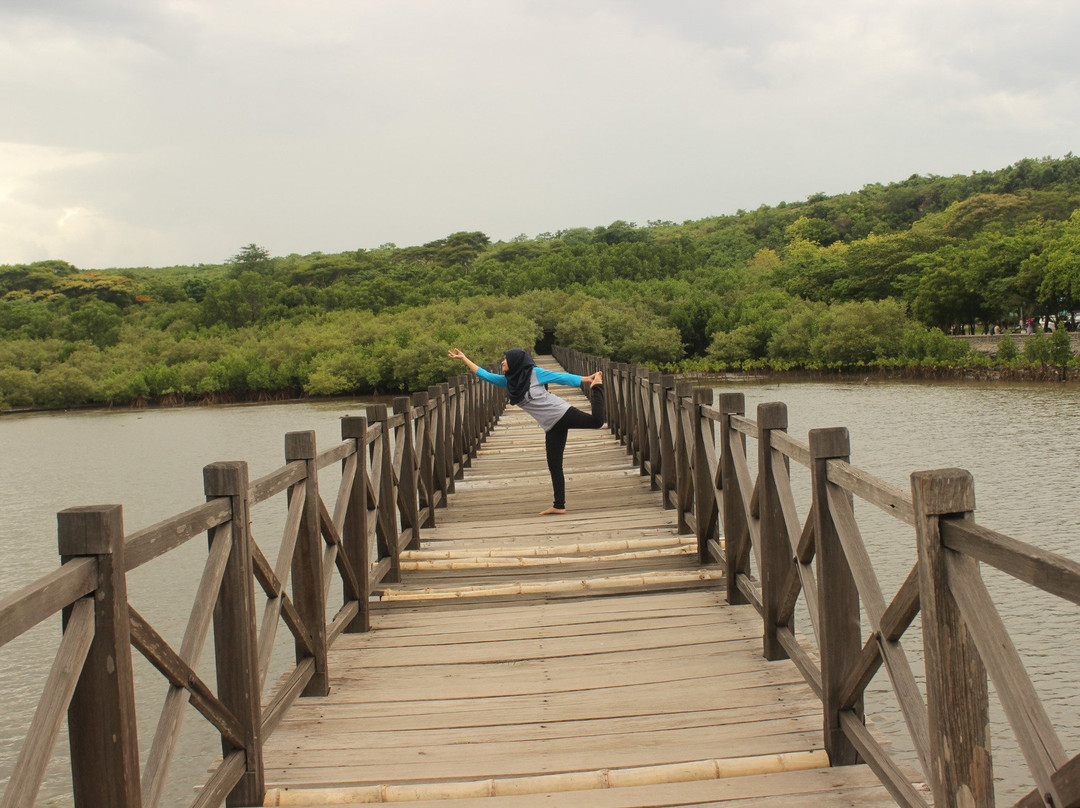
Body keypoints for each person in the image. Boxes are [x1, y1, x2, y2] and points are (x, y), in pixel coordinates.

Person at [448, 347, 605, 515]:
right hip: (550, 425)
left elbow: (560, 377)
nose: (502, 361)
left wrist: (587, 379)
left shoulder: (534, 373)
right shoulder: (510, 382)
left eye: (505, 359)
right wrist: (464, 358)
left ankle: (598, 388)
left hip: (561, 412)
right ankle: (559, 505)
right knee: (554, 465)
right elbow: (485, 375)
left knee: (596, 422)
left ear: (515, 361)